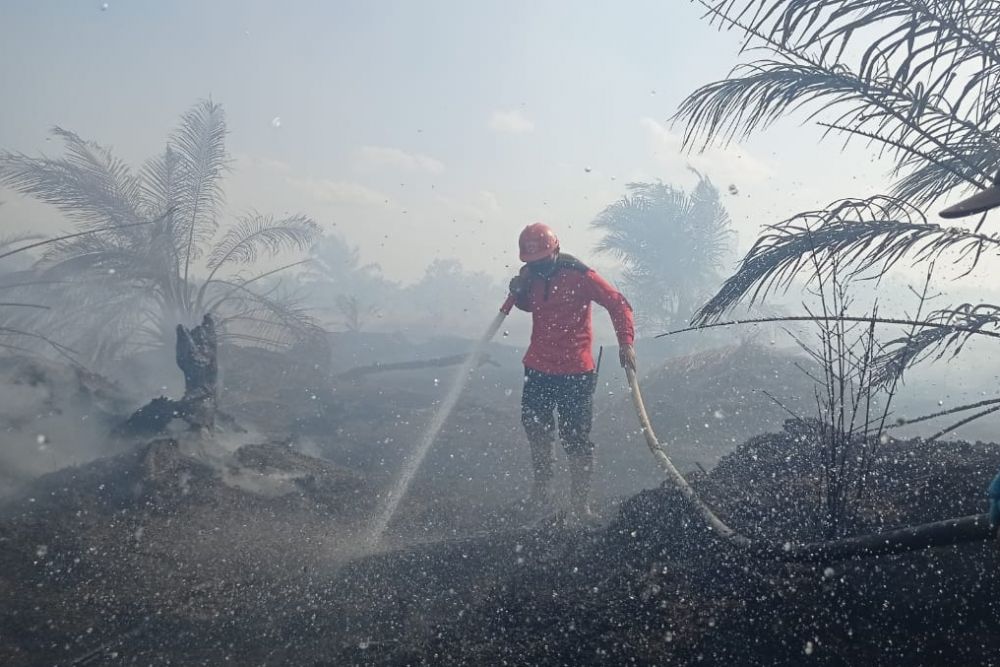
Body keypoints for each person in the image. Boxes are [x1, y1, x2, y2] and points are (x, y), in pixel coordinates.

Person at [507, 222, 636, 523]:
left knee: (576, 438)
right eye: (531, 263)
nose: (537, 267)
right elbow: (531, 305)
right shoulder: (531, 276)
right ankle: (541, 493)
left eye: (540, 261)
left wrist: (625, 343)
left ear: (555, 251)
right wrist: (520, 291)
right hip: (538, 366)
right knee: (536, 429)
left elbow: (618, 304)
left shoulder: (580, 275)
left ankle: (581, 505)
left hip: (575, 372)